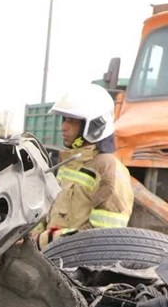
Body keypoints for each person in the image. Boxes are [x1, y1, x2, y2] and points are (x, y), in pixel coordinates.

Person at [32, 83, 134, 249]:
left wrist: (41, 240)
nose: (63, 127)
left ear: (94, 125)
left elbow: (102, 238)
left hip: (79, 268)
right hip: (52, 257)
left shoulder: (108, 170)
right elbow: (52, 212)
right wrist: (32, 234)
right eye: (64, 119)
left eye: (71, 121)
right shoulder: (71, 163)